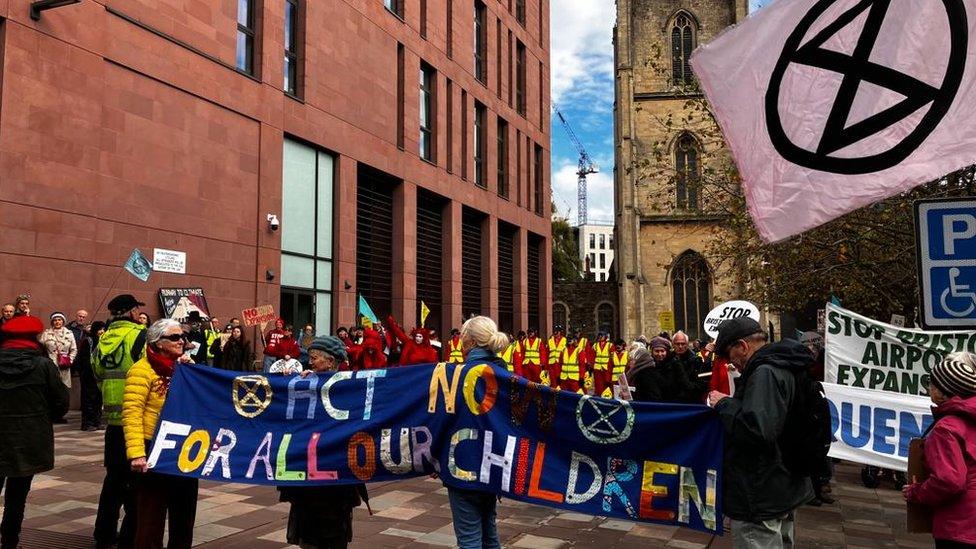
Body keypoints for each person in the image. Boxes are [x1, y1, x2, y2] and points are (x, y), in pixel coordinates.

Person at [706, 317, 814, 549]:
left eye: (730, 355)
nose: (732, 364)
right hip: (782, 484)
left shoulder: (764, 372)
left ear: (743, 346)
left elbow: (756, 430)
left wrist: (724, 404)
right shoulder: (785, 362)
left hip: (760, 490)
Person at [279, 336, 365, 548]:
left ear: (330, 362)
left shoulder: (349, 387)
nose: (310, 362)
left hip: (336, 480)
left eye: (315, 358)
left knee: (333, 535)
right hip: (307, 481)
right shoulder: (306, 384)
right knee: (309, 536)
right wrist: (290, 383)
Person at [123, 319, 198, 548]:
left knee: (184, 516)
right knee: (150, 517)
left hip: (185, 449)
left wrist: (191, 370)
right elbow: (132, 413)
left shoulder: (184, 368)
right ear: (158, 342)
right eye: (174, 337)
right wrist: (136, 453)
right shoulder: (141, 370)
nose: (181, 341)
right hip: (152, 448)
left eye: (182, 337)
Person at [0, 315, 70, 549]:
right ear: (36, 338)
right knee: (17, 497)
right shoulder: (43, 365)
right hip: (30, 439)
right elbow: (61, 402)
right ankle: (10, 542)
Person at [445, 316, 508, 549]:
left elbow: (444, 420)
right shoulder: (505, 374)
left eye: (463, 339)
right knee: (489, 530)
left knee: (469, 537)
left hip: (463, 462)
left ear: (470, 342)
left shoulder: (457, 375)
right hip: (494, 463)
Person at [902, 352, 976, 548]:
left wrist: (916, 493)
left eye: (932, 384)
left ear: (943, 391)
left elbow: (949, 480)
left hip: (959, 526)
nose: (929, 389)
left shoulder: (947, 428)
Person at [92, 294, 148, 549]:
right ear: (131, 311)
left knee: (113, 481)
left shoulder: (103, 340)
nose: (139, 313)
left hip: (112, 422)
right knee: (138, 483)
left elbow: (98, 376)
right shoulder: (140, 336)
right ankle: (130, 538)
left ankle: (103, 535)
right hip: (137, 420)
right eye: (137, 309)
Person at [38, 312, 78, 397]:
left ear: (63, 321)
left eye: (59, 320)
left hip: (64, 364)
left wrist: (69, 360)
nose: (57, 322)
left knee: (64, 388)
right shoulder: (46, 333)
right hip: (50, 363)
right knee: (51, 387)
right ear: (52, 322)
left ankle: (63, 407)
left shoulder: (69, 334)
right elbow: (40, 349)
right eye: (55, 320)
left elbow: (74, 349)